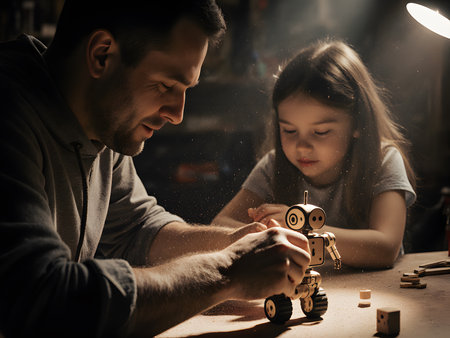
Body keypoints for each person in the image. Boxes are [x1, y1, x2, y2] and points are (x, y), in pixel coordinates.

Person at [0, 1, 312, 337]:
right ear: (102, 55)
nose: (177, 113)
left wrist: (238, 244)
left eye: (186, 91)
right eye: (165, 86)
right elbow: (44, 298)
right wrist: (227, 269)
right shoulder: (8, 111)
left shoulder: (101, 121)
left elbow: (139, 229)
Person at [213, 39, 416, 269]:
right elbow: (218, 226)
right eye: (289, 130)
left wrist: (302, 227)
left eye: (320, 132)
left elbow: (385, 248)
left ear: (358, 123)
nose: (302, 147)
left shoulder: (384, 160)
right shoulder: (273, 165)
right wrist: (263, 231)